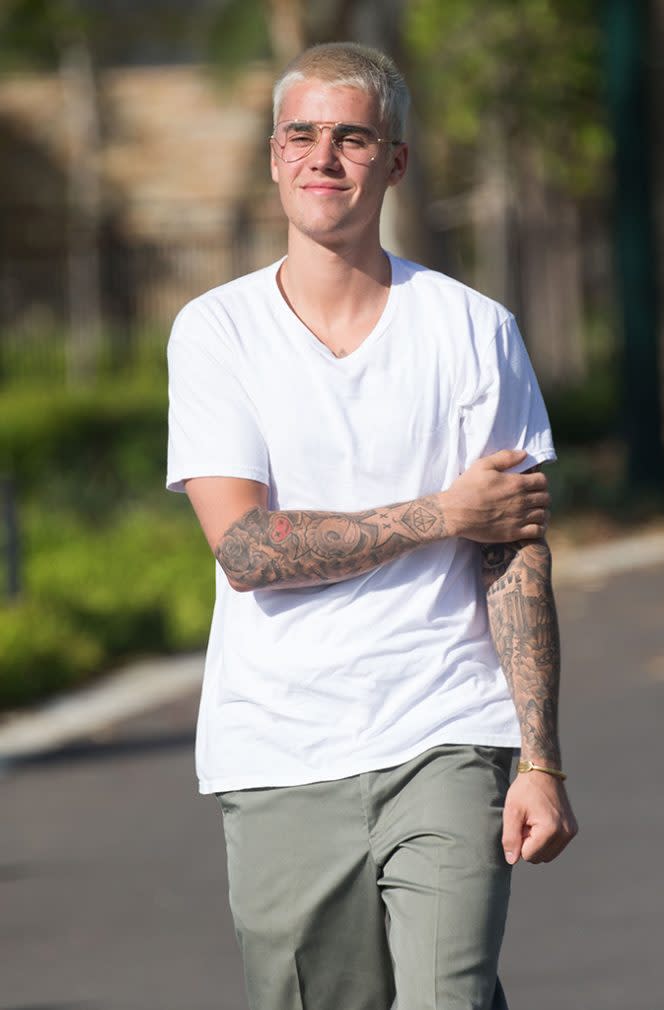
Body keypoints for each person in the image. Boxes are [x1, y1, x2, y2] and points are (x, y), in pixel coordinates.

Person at [167, 41, 577, 1010]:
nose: (325, 157)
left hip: (446, 727)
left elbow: (513, 550)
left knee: (449, 993)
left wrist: (542, 759)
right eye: (302, 135)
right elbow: (248, 548)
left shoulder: (475, 328)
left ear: (394, 162)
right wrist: (442, 510)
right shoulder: (216, 332)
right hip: (278, 751)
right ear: (274, 156)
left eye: (353, 137)